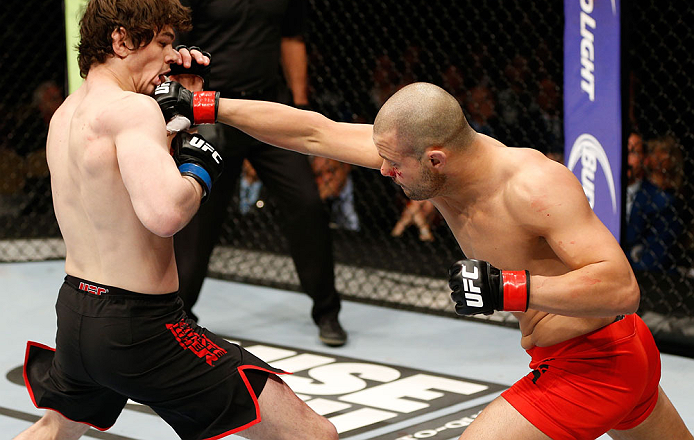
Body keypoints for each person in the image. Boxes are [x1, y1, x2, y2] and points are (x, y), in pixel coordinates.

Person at [156, 81, 693, 439]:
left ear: (435, 158)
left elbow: (621, 288)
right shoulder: (428, 164)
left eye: (393, 165)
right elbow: (312, 131)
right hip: (602, 358)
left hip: (597, 364)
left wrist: (511, 289)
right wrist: (205, 106)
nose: (384, 173)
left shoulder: (533, 186)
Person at [13, 0, 338, 440]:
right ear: (121, 39)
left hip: (77, 310)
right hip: (142, 326)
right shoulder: (133, 111)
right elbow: (165, 213)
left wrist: (178, 120)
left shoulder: (67, 112)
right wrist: (200, 160)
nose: (171, 54)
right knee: (312, 434)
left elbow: (126, 186)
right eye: (164, 42)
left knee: (53, 430)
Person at [166, 0, 346, 347]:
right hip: (212, 109)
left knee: (308, 205)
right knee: (199, 218)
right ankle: (178, 317)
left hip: (268, 107)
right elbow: (172, 46)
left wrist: (299, 107)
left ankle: (327, 311)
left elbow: (291, 38)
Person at [625, 132, 684, 272]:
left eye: (633, 153)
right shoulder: (598, 193)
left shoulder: (660, 202)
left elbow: (652, 260)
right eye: (622, 151)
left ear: (644, 159)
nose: (625, 158)